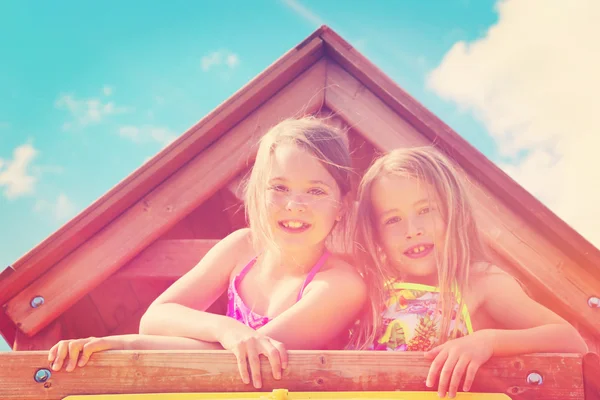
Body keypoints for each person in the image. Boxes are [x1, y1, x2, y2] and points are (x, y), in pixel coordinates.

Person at [48, 117, 367, 389]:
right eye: (280, 187)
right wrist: (228, 329)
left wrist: (126, 344)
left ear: (341, 206)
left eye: (316, 190)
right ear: (258, 192)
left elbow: (248, 356)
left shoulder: (341, 285)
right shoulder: (242, 247)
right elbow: (157, 317)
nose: (295, 204)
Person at [350, 146, 587, 398]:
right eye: (393, 220)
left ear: (455, 212)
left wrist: (488, 341)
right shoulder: (370, 293)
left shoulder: (478, 281)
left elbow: (570, 340)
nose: (412, 229)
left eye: (425, 210)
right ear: (376, 235)